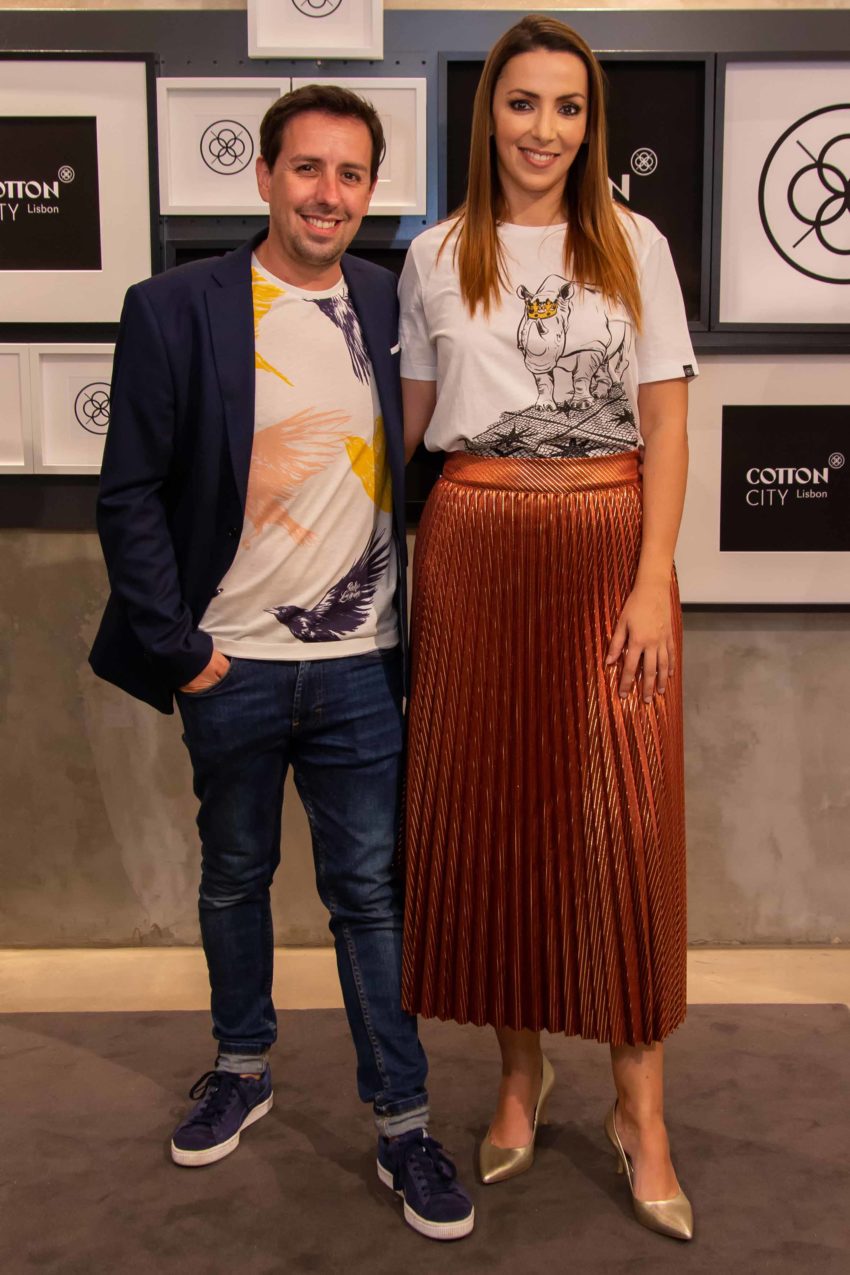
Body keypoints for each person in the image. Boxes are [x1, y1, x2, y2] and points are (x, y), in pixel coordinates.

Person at [90, 83, 473, 1243]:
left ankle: (403, 1122)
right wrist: (182, 651)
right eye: (307, 168)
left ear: (370, 192)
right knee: (233, 876)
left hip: (363, 668)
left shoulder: (389, 300)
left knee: (368, 896)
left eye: (350, 175)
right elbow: (129, 495)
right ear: (263, 177)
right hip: (233, 665)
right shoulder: (174, 306)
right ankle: (242, 1066)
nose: (327, 194)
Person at [399, 16, 695, 1241]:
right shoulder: (435, 253)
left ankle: (641, 1111)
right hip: (472, 549)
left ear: (591, 123)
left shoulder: (634, 243)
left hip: (605, 550)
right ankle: (519, 1077)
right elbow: (411, 432)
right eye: (522, 103)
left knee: (623, 828)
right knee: (499, 821)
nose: (544, 128)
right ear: (489, 115)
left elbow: (665, 425)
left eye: (567, 107)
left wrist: (649, 580)